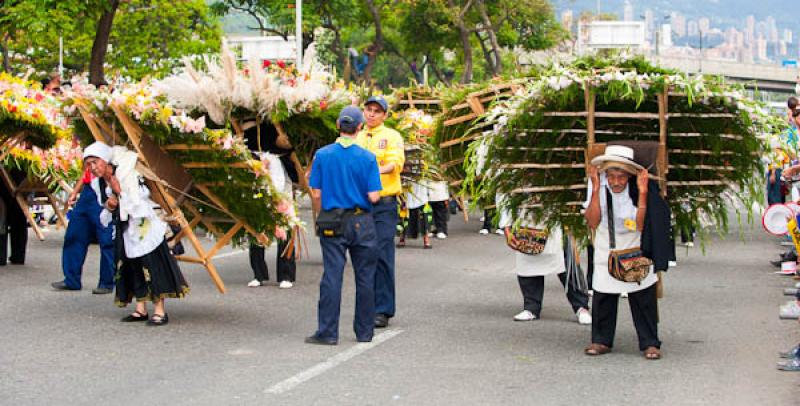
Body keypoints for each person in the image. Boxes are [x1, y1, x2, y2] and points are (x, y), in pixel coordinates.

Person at [84, 142, 189, 326]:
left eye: (95, 162)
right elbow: (106, 209)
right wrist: (110, 205)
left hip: (146, 226)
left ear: (105, 160)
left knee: (152, 266)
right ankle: (140, 308)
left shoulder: (126, 171)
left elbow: (140, 199)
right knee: (133, 267)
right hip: (127, 230)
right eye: (88, 164)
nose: (92, 168)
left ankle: (159, 311)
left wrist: (119, 192)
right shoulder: (99, 183)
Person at [583, 145, 671, 360]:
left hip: (635, 244)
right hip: (606, 244)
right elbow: (592, 222)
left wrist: (641, 194)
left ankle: (650, 342)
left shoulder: (641, 187)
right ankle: (601, 340)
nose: (615, 182)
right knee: (603, 293)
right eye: (611, 176)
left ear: (629, 175)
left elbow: (641, 225)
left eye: (621, 176)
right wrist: (595, 189)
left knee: (643, 295)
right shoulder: (598, 185)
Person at [305, 106, 382, 345]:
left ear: (338, 125)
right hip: (361, 221)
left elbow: (316, 193)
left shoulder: (323, 155)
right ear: (360, 128)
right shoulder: (368, 158)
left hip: (332, 220)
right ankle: (365, 332)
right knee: (365, 277)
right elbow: (374, 196)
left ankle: (327, 332)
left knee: (332, 275)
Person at [356, 96, 405, 328]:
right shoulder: (356, 135)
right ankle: (367, 304)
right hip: (359, 204)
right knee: (362, 255)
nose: (372, 114)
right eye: (368, 109)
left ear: (384, 115)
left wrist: (371, 171)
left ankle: (383, 309)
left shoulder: (392, 136)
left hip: (384, 204)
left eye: (377, 111)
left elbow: (394, 164)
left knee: (382, 253)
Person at [499, 204, 591, 324]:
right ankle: (531, 307)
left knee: (566, 263)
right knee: (528, 259)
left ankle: (581, 307)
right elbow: (503, 195)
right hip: (526, 214)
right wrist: (506, 227)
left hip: (557, 213)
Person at [243, 121, 298, 289]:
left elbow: (285, 147)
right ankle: (258, 275)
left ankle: (286, 275)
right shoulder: (248, 149)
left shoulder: (277, 132)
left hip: (280, 184)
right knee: (257, 229)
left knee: (285, 228)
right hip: (258, 186)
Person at [50, 166, 115, 294]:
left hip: (104, 188)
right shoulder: (91, 151)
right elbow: (87, 171)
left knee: (106, 238)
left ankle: (107, 282)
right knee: (75, 233)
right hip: (88, 190)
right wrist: (75, 191)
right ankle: (71, 279)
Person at [0, 168, 27, 266]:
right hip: (20, 173)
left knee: (3, 215)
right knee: (18, 212)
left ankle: (1, 256)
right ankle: (18, 256)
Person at [397, 181, 432, 249]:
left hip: (420, 189)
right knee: (404, 215)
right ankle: (402, 238)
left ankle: (426, 239)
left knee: (423, 216)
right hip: (406, 187)